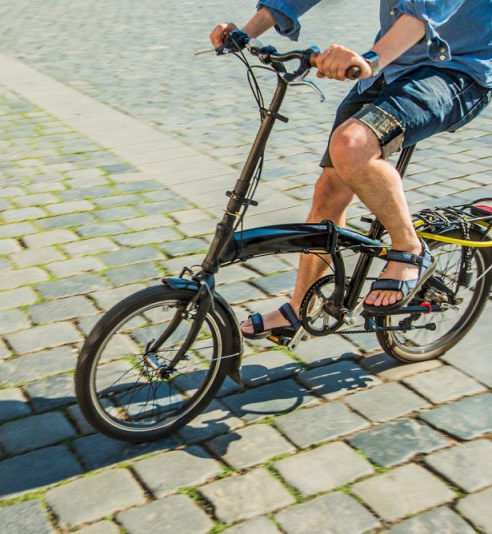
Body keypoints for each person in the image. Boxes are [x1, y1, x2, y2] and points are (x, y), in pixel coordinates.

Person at [209, 1, 492, 341]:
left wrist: (370, 60)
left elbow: (424, 11)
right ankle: (302, 307)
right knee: (329, 189)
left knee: (352, 145)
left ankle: (408, 249)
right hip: (396, 65)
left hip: (456, 70)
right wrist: (244, 31)